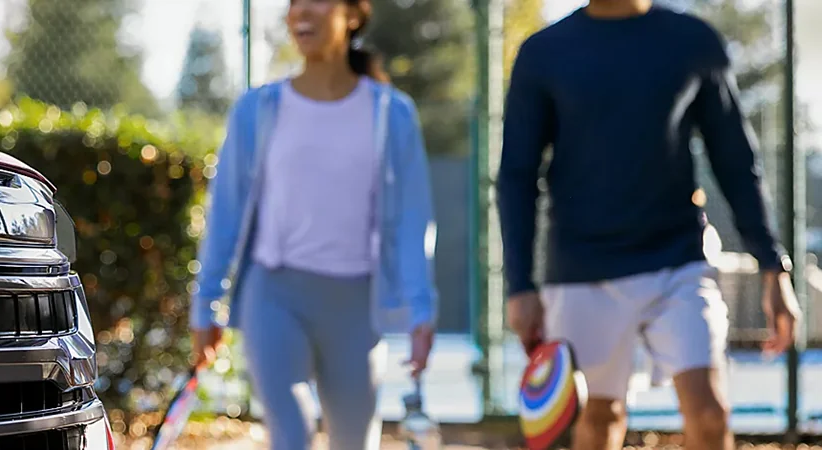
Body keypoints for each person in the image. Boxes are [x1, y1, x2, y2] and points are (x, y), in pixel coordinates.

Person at [497, 0, 802, 449]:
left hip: (678, 261)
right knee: (600, 417)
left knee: (709, 412)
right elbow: (517, 175)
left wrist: (773, 266)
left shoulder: (692, 42)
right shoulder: (544, 52)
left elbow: (736, 161)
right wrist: (520, 285)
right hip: (581, 268)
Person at [188, 0, 439, 448]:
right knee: (291, 435)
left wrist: (421, 311)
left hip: (356, 306)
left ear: (353, 15)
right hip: (273, 297)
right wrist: (205, 303)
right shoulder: (257, 109)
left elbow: (411, 221)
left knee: (353, 441)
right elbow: (224, 211)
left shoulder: (391, 113)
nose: (302, 11)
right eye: (294, 1)